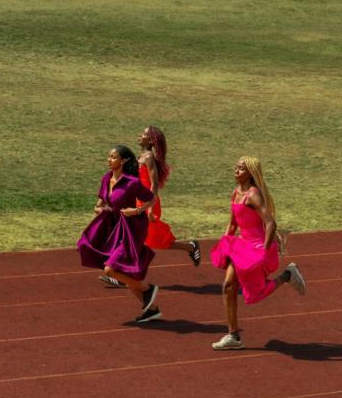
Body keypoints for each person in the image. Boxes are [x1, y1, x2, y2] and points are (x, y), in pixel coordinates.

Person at [209, 156, 306, 350]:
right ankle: (233, 336)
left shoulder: (253, 195)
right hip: (241, 247)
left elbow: (270, 223)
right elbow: (233, 223)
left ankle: (288, 275)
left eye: (241, 168)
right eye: (236, 167)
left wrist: (263, 250)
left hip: (257, 248)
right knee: (228, 286)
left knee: (254, 296)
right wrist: (224, 243)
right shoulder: (236, 193)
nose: (236, 170)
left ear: (250, 173)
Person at [99, 126, 200, 287]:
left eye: (144, 134)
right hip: (138, 202)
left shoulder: (148, 157)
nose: (140, 135)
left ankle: (121, 276)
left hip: (148, 203)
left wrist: (150, 207)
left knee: (137, 240)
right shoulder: (140, 157)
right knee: (152, 240)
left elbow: (154, 185)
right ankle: (190, 247)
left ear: (152, 140)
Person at [78, 145, 161, 322]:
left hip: (132, 227)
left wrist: (137, 210)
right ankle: (151, 309)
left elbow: (151, 198)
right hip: (114, 227)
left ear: (123, 160)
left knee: (110, 269)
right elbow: (101, 201)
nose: (109, 160)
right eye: (108, 156)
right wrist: (99, 208)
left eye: (113, 157)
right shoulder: (106, 178)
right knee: (121, 270)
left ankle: (147, 289)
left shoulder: (132, 182)